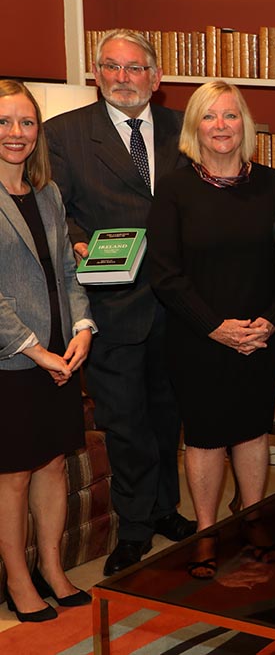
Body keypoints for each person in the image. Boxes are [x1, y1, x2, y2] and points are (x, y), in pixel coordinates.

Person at [45, 28, 195, 577]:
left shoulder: (185, 128)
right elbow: (53, 209)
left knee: (168, 414)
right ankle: (132, 529)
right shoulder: (63, 134)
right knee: (125, 421)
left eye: (135, 69)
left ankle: (165, 509)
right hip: (112, 304)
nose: (122, 78)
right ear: (96, 73)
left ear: (156, 78)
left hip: (177, 304)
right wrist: (77, 239)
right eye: (112, 66)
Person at [148, 81, 275, 579]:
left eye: (230, 116)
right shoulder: (174, 189)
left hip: (262, 335)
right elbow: (165, 272)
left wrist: (271, 321)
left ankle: (251, 519)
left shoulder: (274, 185)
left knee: (253, 429)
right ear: (194, 128)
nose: (221, 126)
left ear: (244, 124)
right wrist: (215, 327)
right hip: (197, 338)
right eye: (209, 117)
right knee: (205, 436)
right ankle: (206, 533)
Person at [0, 80, 96, 621]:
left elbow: (67, 271)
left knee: (54, 464)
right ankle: (18, 581)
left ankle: (53, 569)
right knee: (13, 475)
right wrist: (36, 350)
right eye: (4, 122)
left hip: (61, 355)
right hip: (12, 360)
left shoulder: (48, 193)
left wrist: (83, 327)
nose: (17, 133)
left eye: (26, 122)